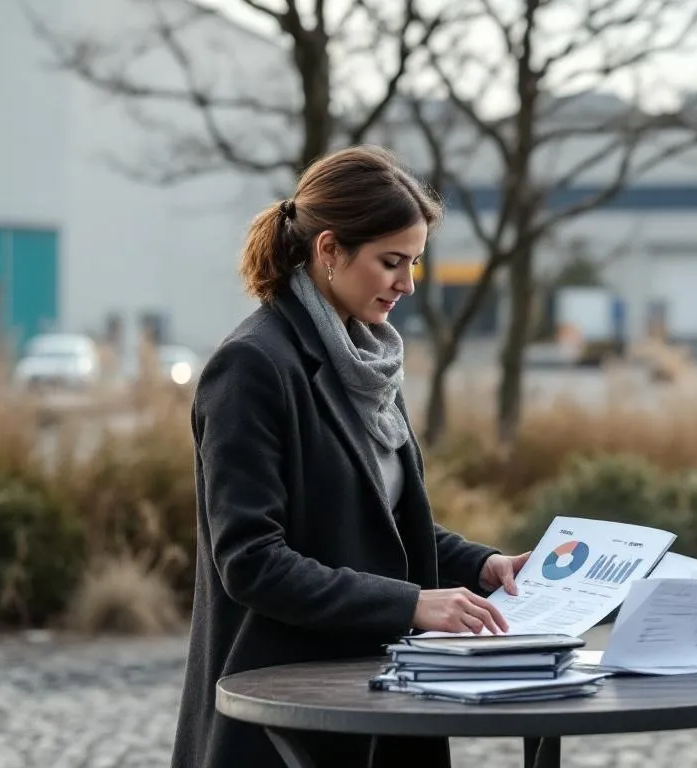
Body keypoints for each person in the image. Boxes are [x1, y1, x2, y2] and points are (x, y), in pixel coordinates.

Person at [170, 145, 530, 768]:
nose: (407, 285)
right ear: (329, 249)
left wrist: (485, 565)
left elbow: (378, 526)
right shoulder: (253, 366)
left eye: (414, 263)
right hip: (284, 710)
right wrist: (412, 603)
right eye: (391, 262)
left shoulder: (365, 363)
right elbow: (252, 561)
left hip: (380, 702)